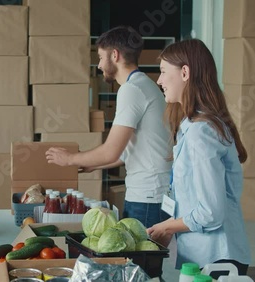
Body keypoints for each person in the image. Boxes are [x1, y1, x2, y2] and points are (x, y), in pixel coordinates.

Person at [45, 26, 172, 228]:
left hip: (148, 197)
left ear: (115, 55)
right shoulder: (141, 85)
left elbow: (111, 151)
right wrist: (93, 164)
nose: (99, 65)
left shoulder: (132, 90)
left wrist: (69, 159)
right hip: (151, 194)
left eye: (101, 58)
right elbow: (124, 153)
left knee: (140, 259)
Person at [146, 39, 251, 278]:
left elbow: (211, 212)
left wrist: (167, 226)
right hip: (204, 255)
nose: (159, 80)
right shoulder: (192, 126)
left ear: (185, 72)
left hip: (217, 257)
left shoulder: (201, 133)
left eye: (163, 72)